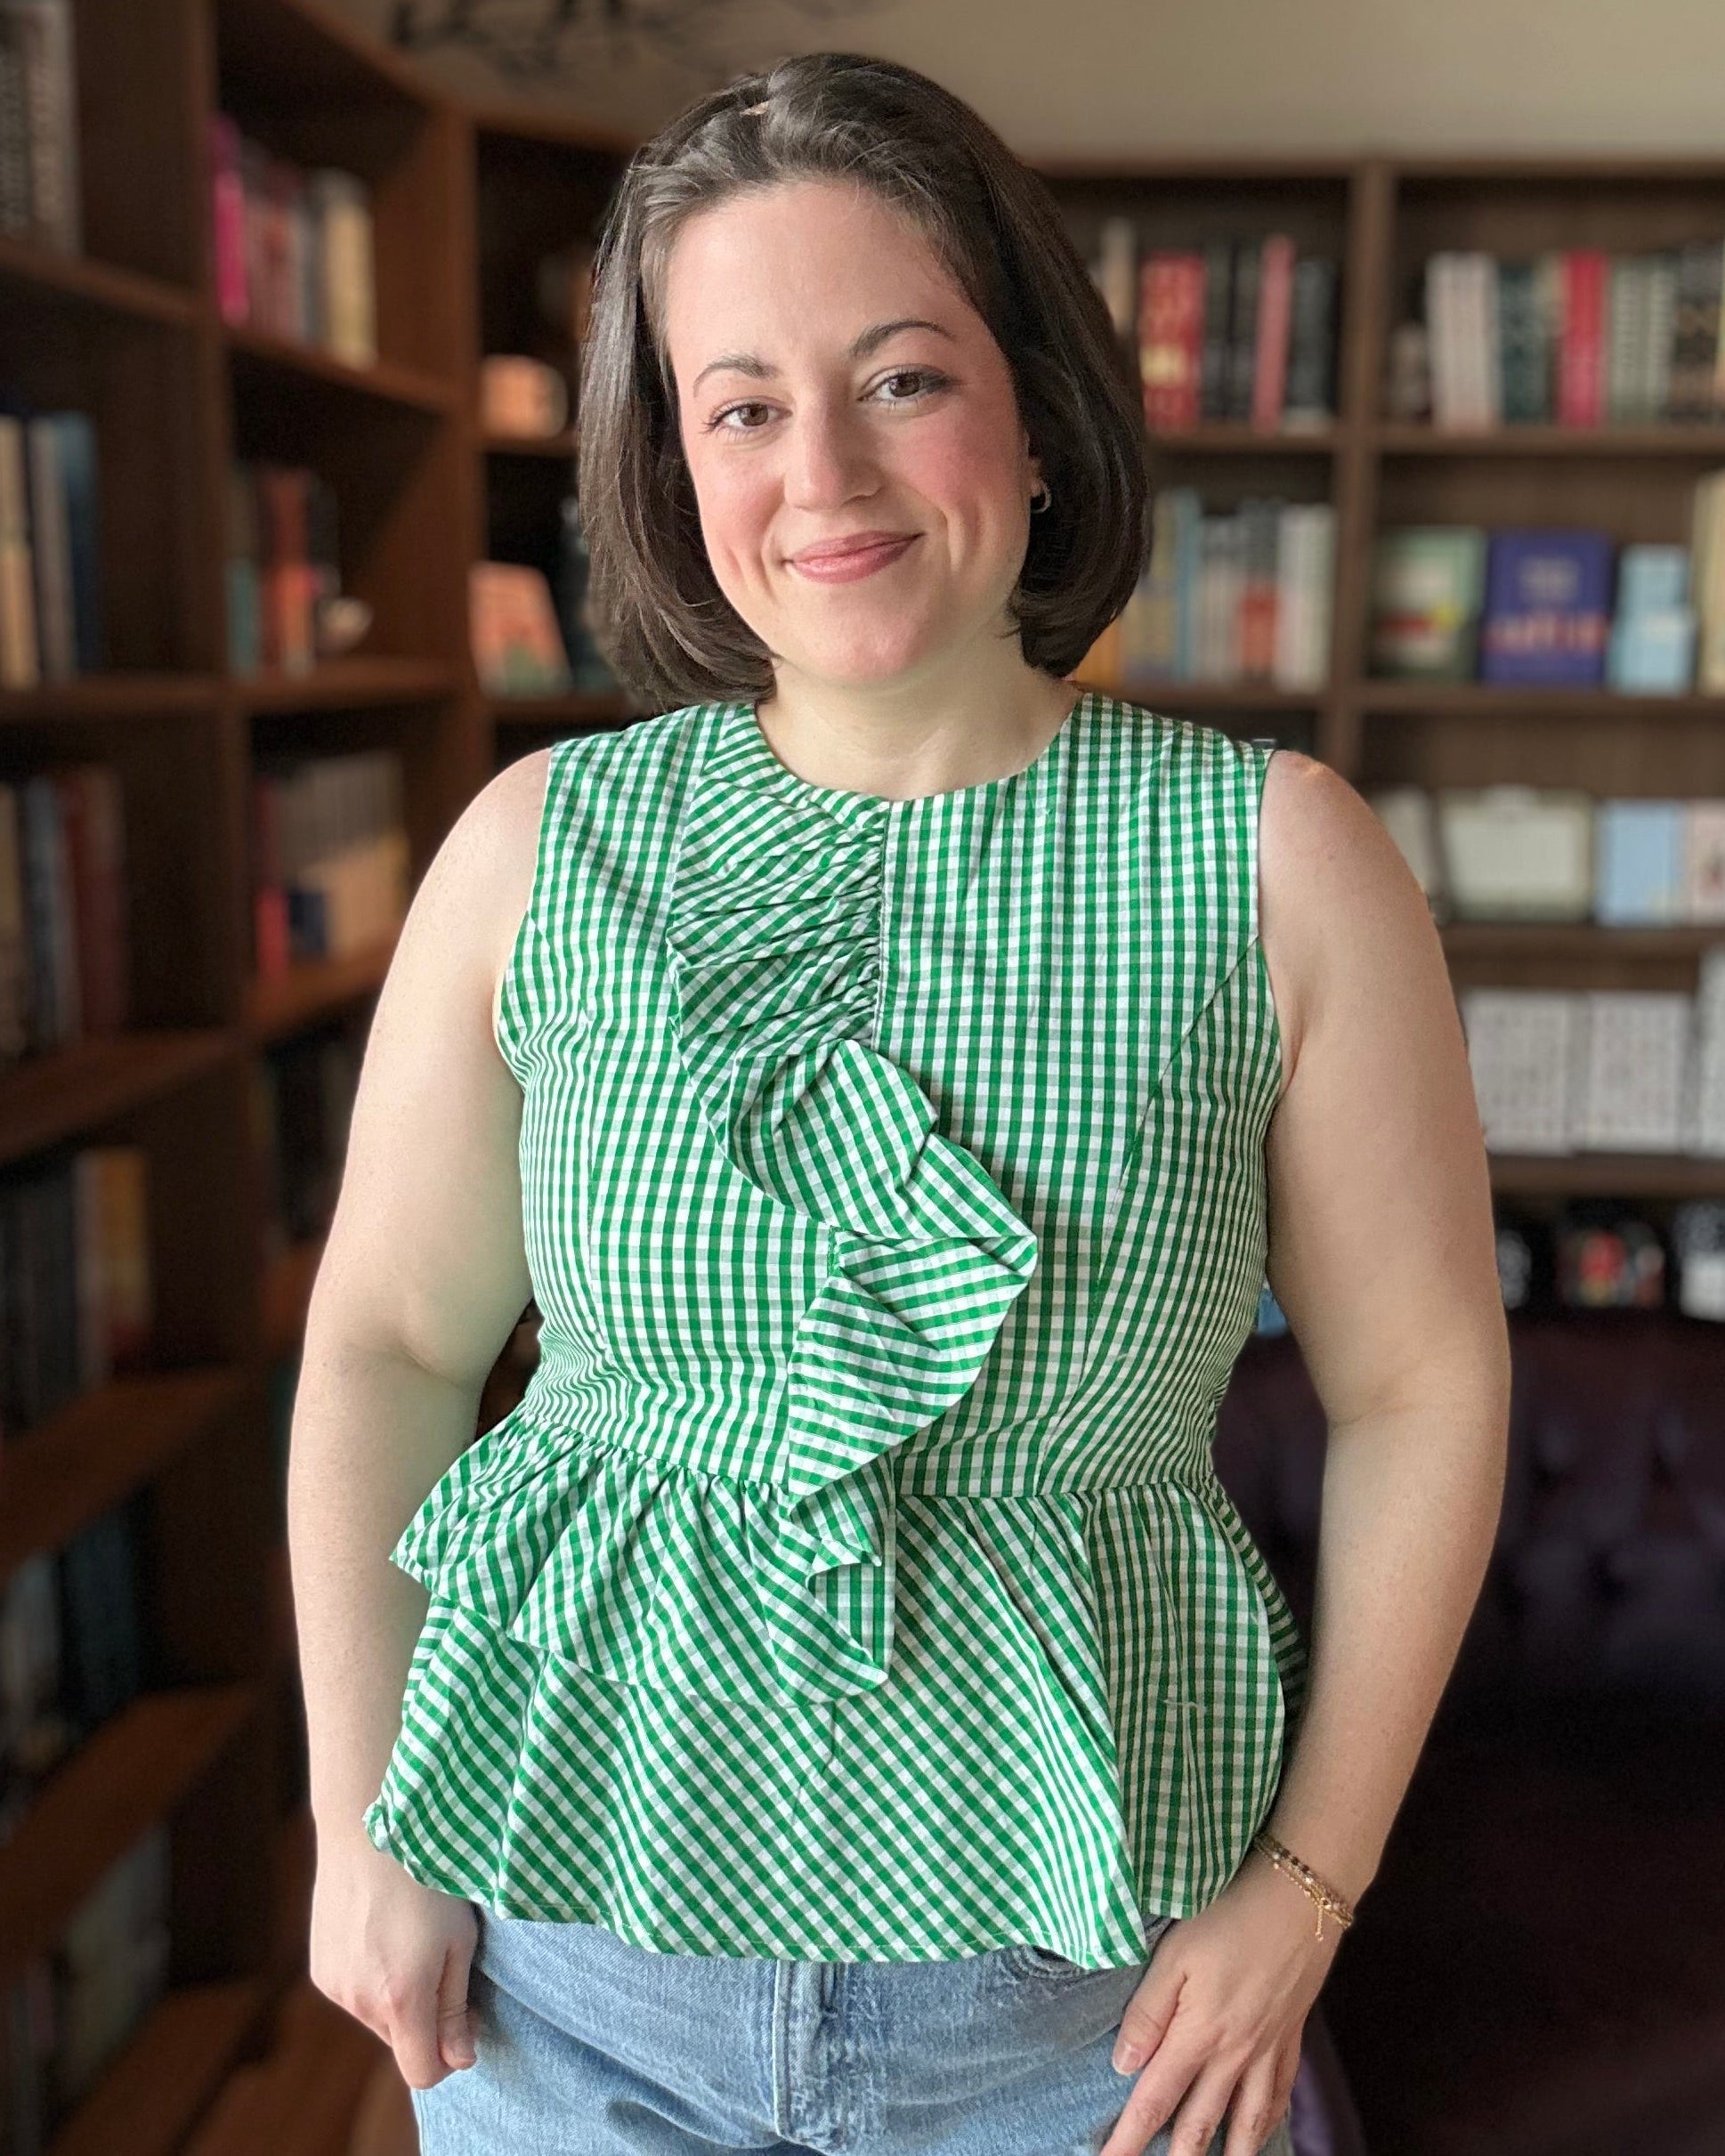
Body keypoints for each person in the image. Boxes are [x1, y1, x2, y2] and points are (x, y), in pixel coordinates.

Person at [288, 50, 1510, 2156]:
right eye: (742, 404)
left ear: (1036, 407)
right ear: (675, 471)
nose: (824, 471)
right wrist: (357, 1813)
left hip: (1093, 2023)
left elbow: (1419, 1381)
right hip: (562, 1973)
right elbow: (392, 1343)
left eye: (905, 377)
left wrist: (1314, 1887)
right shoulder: (532, 848)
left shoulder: (1283, 860)